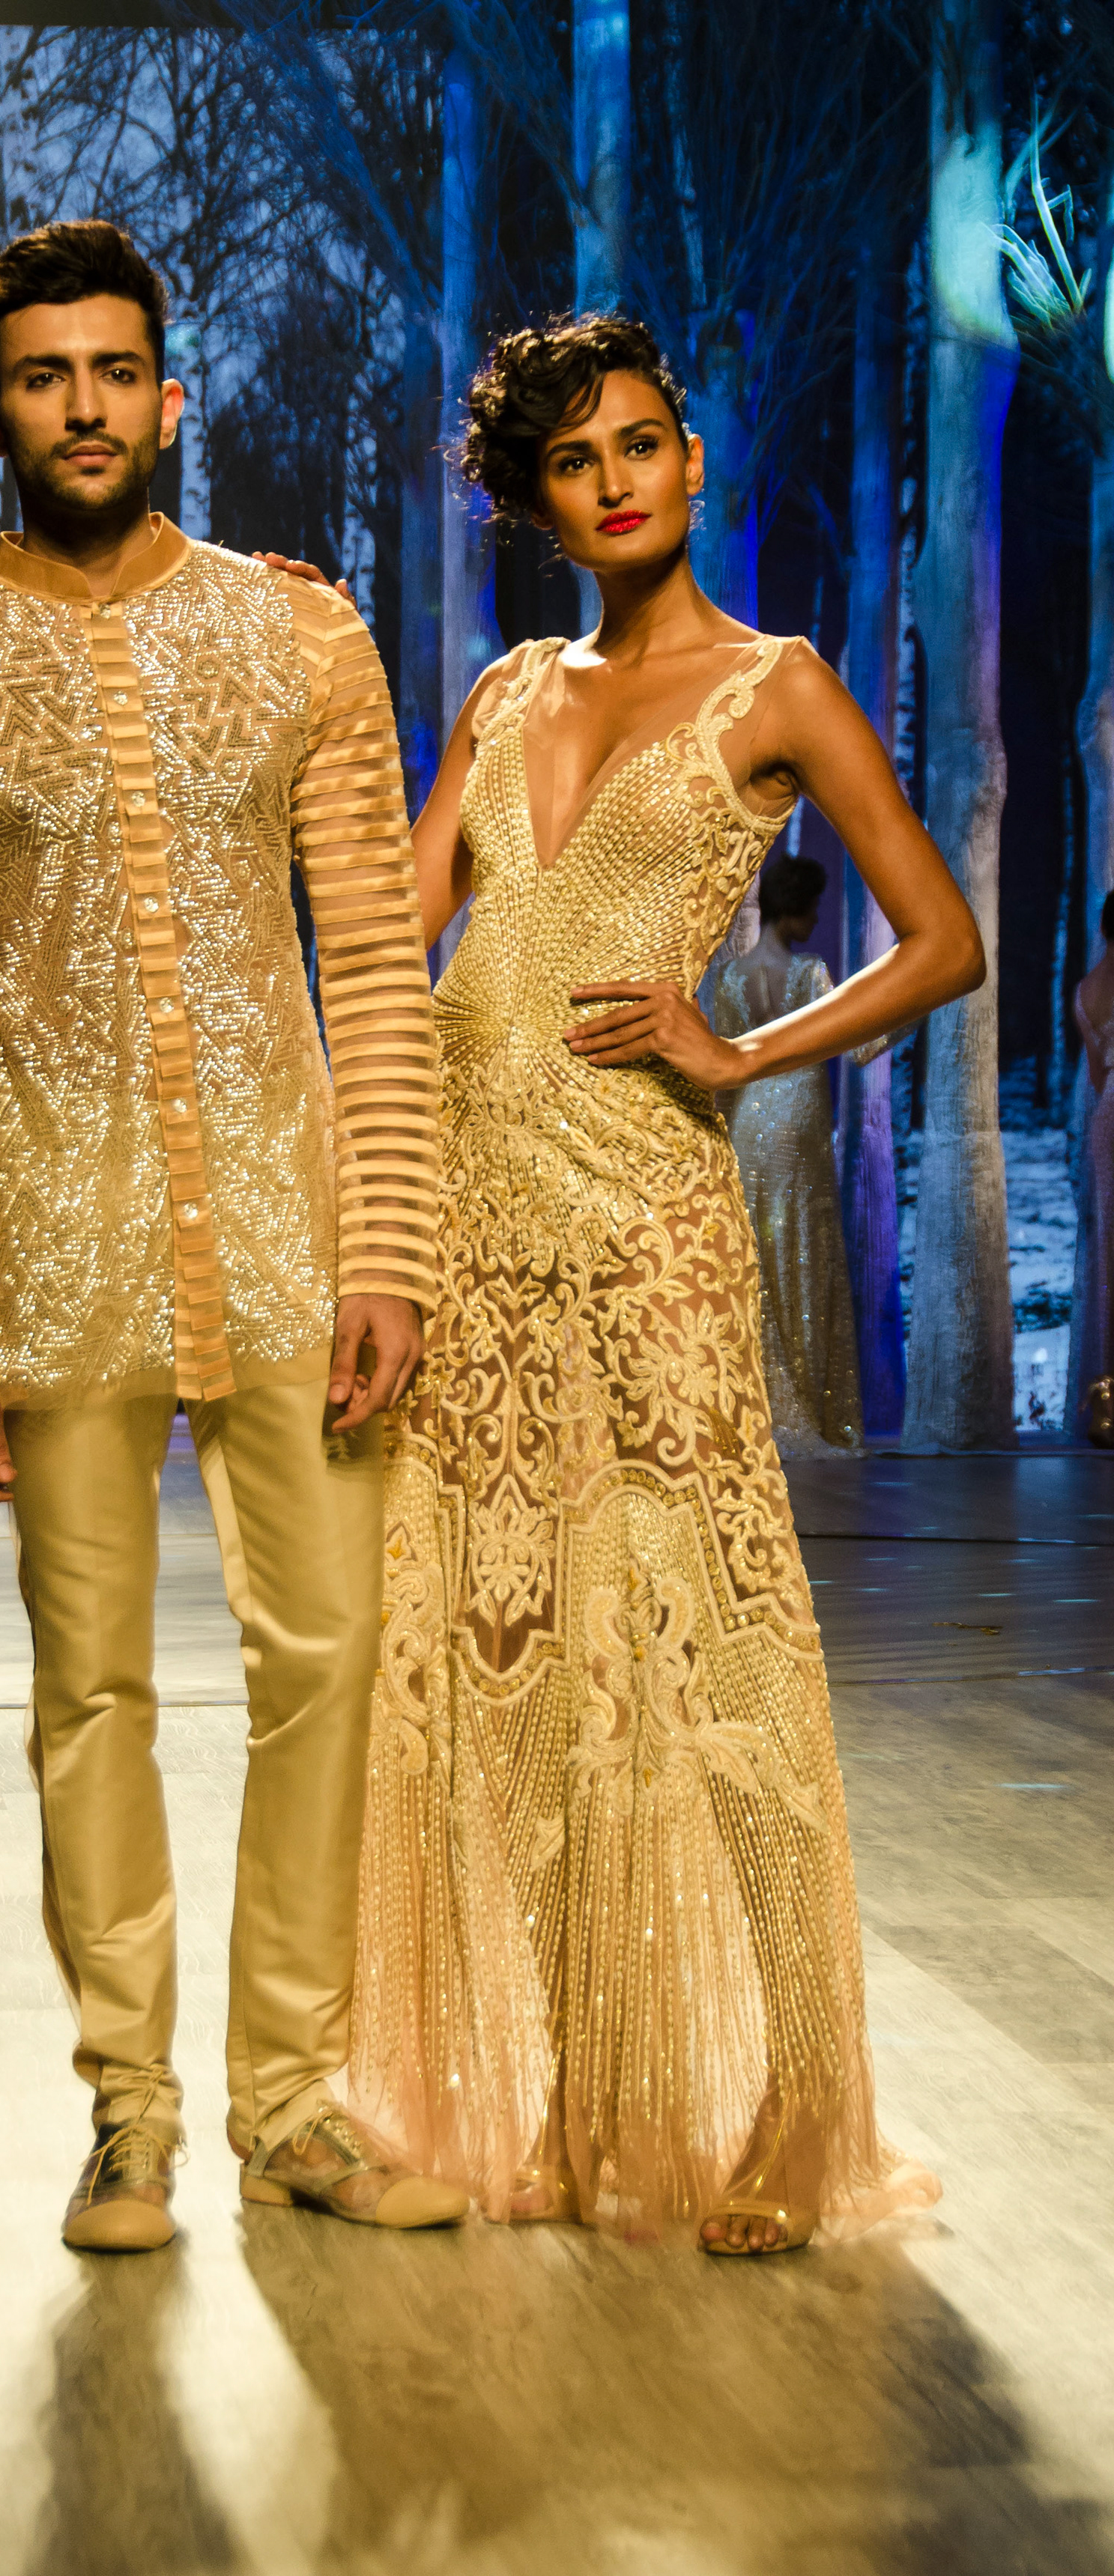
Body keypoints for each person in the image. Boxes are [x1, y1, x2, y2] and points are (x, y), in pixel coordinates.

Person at [0, 220, 467, 2250]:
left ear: (172, 398)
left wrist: (389, 1244)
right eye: (46, 377)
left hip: (291, 1230)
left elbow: (375, 965)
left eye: (116, 371)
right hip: (53, 1249)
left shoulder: (301, 643)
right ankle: (129, 2113)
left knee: (330, 1660)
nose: (84, 406)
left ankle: (297, 2101)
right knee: (88, 1689)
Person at [347, 313, 977, 2253]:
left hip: (647, 1225)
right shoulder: (503, 690)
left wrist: (741, 1049)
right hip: (470, 1221)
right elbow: (389, 926)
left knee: (724, 1664)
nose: (615, 480)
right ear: (540, 504)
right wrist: (311, 676)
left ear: (690, 459)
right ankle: (562, 2091)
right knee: (514, 1664)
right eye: (574, 459)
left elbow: (942, 940)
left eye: (640, 442)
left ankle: (800, 2101)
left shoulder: (777, 686)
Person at [711, 853, 862, 1456]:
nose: (817, 918)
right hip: (799, 1115)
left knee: (758, 1252)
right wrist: (910, 1010)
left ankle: (761, 1403)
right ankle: (806, 1401)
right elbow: (856, 1040)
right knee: (805, 1247)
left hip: (749, 1120)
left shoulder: (730, 978)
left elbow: (723, 1072)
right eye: (813, 907)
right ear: (795, 909)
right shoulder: (810, 971)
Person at [1070, 889, 1114, 1447]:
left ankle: (1108, 1401)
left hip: (1109, 1116)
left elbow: (1098, 1074)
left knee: (1110, 1250)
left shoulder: (1086, 989)